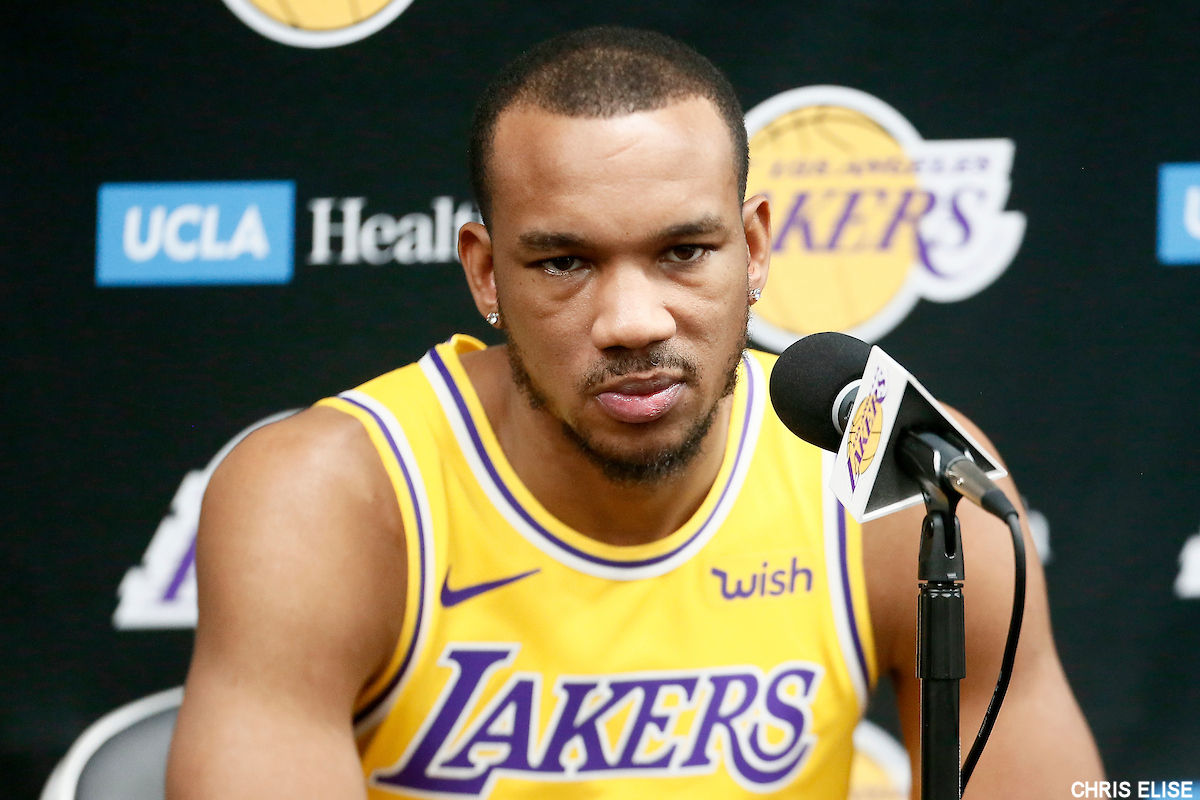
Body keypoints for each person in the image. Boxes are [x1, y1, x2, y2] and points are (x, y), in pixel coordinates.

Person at [166, 26, 1102, 799]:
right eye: (565, 263)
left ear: (755, 248)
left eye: (684, 252)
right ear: (486, 274)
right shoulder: (332, 497)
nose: (632, 321)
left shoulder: (895, 474)